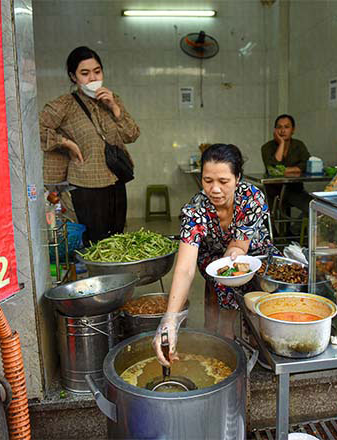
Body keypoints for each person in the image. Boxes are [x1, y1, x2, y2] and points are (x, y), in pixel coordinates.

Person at [153, 144, 278, 367]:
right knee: (221, 296)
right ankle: (221, 345)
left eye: (223, 181)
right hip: (212, 257)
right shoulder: (194, 211)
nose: (215, 189)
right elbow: (185, 268)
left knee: (260, 303)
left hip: (254, 252)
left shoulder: (252, 198)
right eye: (208, 180)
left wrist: (232, 256)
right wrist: (170, 319)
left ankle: (252, 341)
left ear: (237, 178)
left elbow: (239, 246)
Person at [40, 46, 140, 244]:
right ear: (73, 77)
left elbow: (132, 134)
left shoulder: (112, 99)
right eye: (84, 73)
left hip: (116, 180)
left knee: (117, 240)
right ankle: (95, 275)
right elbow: (37, 128)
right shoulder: (65, 104)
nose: (93, 78)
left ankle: (113, 275)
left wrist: (114, 107)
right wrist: (66, 143)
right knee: (94, 243)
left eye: (97, 71)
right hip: (86, 186)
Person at [260, 114, 312, 218]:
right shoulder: (266, 147)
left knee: (314, 208)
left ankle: (295, 231)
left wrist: (285, 170)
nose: (282, 131)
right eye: (279, 127)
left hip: (295, 190)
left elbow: (307, 163)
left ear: (293, 130)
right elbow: (272, 170)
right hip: (273, 192)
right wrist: (282, 143)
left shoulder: (299, 145)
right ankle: (276, 234)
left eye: (286, 127)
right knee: (266, 215)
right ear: (275, 130)